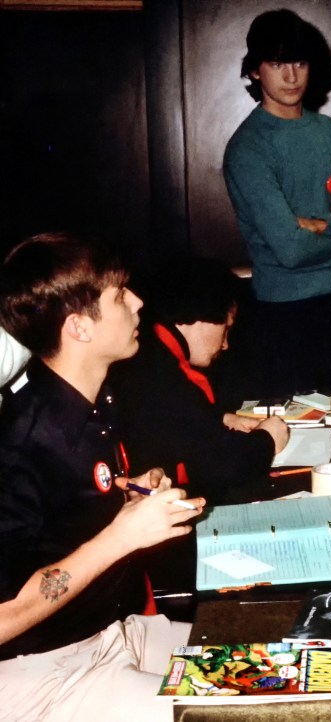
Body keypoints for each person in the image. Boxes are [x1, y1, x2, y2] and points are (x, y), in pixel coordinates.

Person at [0, 232, 206, 720]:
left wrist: (130, 498)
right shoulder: (20, 444)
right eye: (119, 296)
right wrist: (122, 536)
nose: (137, 302)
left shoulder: (93, 404)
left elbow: (64, 514)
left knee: (268, 671)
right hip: (43, 674)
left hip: (112, 635)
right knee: (234, 713)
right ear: (79, 328)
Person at [223, 8, 331, 397]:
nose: (291, 76)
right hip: (281, 319)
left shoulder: (330, 132)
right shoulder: (249, 147)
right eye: (277, 64)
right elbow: (291, 250)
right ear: (255, 71)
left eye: (299, 63)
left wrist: (322, 223)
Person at [111, 255, 289, 504]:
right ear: (201, 315)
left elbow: (179, 424)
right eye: (225, 328)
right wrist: (268, 439)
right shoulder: (162, 372)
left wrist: (221, 419)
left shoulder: (155, 353)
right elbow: (221, 465)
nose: (225, 344)